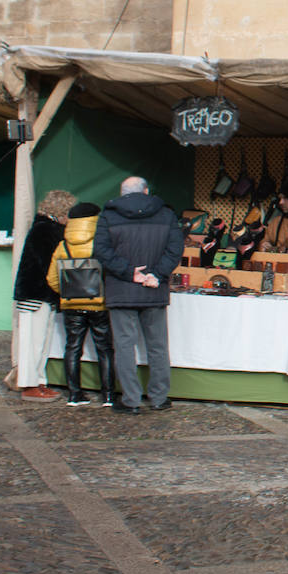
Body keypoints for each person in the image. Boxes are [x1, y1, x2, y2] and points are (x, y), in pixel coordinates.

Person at [93, 177, 184, 415]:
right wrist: (157, 274)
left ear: (122, 193)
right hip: (154, 290)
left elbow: (101, 250)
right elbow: (175, 249)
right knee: (158, 346)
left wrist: (129, 273)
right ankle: (159, 398)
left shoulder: (108, 215)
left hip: (121, 290)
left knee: (124, 346)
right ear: (146, 191)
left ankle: (131, 400)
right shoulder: (165, 214)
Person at [46, 203, 117, 407]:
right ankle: (109, 396)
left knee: (73, 347)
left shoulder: (63, 246)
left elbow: (51, 279)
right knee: (105, 349)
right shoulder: (102, 243)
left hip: (70, 306)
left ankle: (74, 394)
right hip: (99, 305)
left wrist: (69, 292)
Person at [12, 189, 77, 402]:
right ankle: (30, 384)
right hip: (36, 294)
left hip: (37, 294)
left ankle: (38, 381)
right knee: (34, 342)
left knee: (39, 341)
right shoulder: (45, 230)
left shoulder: (44, 228)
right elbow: (45, 265)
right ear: (61, 210)